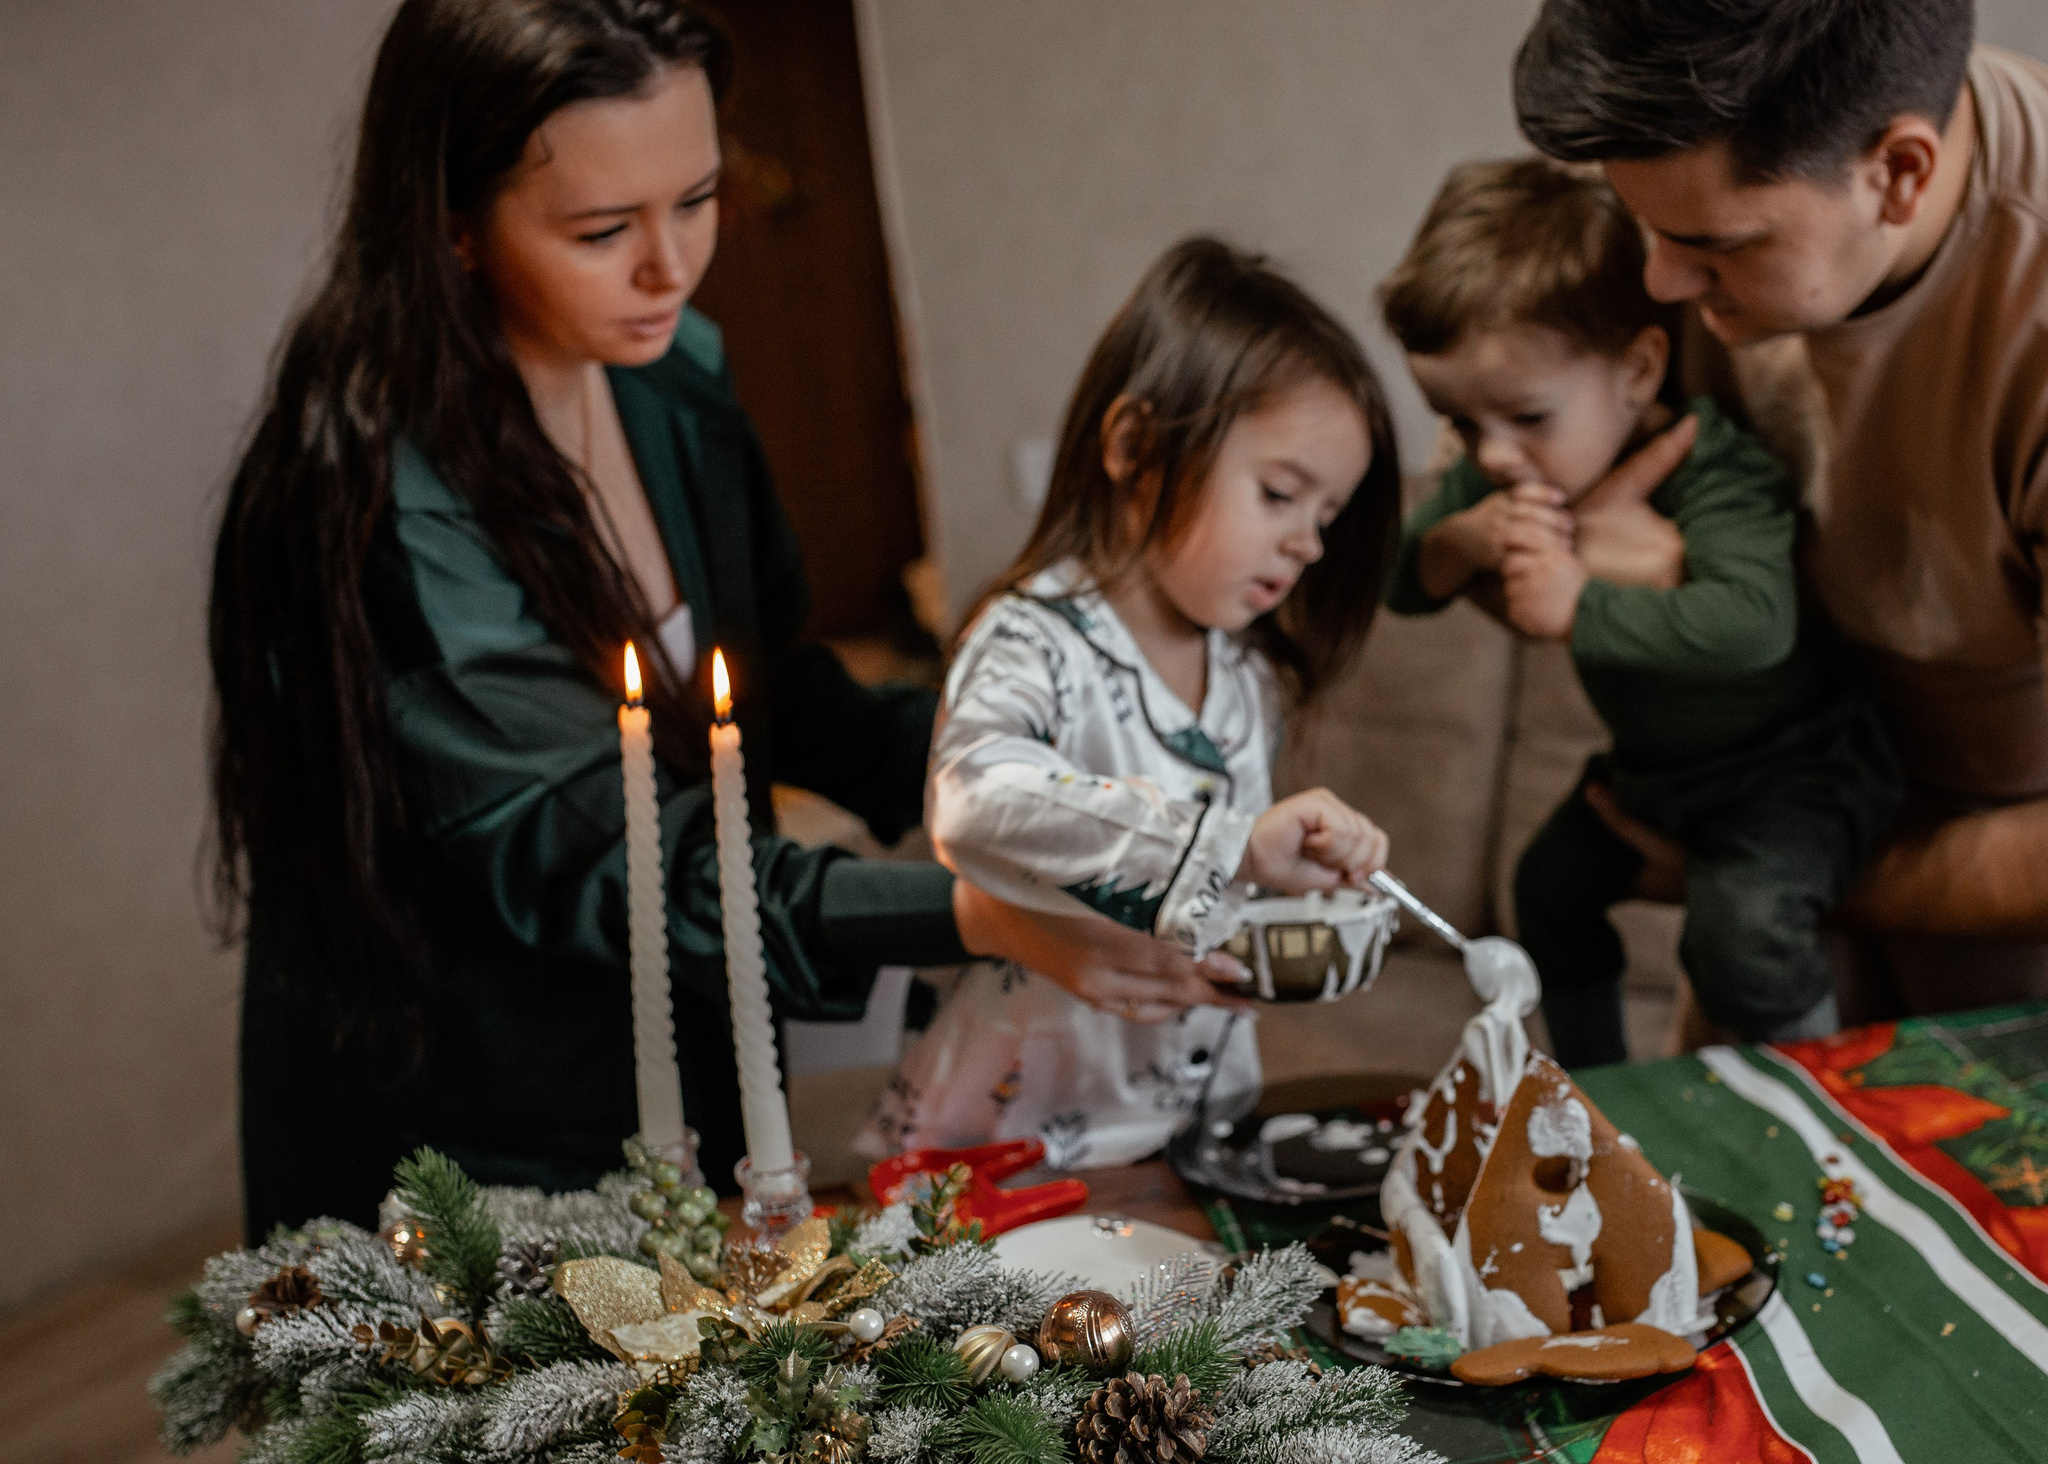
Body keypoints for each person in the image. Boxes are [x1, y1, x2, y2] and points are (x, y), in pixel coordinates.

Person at [209, 0, 1233, 1236]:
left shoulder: (670, 369)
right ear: (451, 227)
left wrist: (1053, 774)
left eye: (696, 200)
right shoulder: (380, 489)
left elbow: (773, 687)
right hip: (475, 1117)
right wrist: (972, 914)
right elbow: (616, 858)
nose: (671, 266)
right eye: (602, 229)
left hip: (686, 1044)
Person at [1513, 0, 2048, 1012]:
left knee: (2012, 1166)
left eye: (1714, 245)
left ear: (1899, 172)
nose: (1656, 278)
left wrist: (1751, 875)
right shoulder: (1690, 138)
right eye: (1643, 226)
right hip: (1792, 797)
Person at [863, 238, 1399, 1168]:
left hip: (1191, 1126)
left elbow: (1216, 892)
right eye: (1280, 494)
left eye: (1326, 516)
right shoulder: (1032, 636)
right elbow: (974, 796)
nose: (1308, 543)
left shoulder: (1248, 673)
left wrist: (1293, 867)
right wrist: (1229, 841)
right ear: (1135, 446)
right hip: (1019, 1139)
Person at [1377, 159, 1898, 1060]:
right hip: (1659, 770)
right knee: (1546, 886)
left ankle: (1817, 1095)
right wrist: (1458, 541)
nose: (1492, 456)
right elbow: (1396, 583)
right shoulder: (1498, 475)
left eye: (1526, 418)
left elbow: (1754, 626)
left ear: (1636, 367)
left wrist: (1580, 602)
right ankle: (1599, 1087)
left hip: (1798, 769)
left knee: (1739, 932)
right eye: (1460, 424)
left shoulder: (1712, 468)